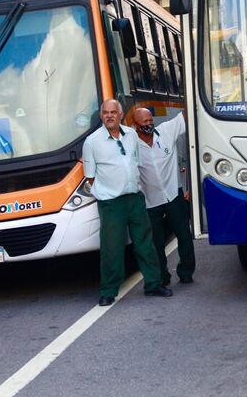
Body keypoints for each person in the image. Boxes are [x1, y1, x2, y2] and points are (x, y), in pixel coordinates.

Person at [82, 99, 172, 306]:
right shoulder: (92, 142)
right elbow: (90, 177)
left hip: (135, 199)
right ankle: (108, 290)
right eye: (106, 112)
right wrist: (107, 191)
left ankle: (153, 284)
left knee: (145, 244)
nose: (109, 115)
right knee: (111, 248)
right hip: (111, 204)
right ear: (101, 116)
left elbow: (136, 163)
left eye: (114, 112)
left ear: (121, 115)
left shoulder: (131, 135)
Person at [133, 107, 196, 285]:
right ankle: (162, 277)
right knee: (156, 243)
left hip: (173, 194)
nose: (149, 124)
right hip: (150, 200)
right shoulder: (132, 144)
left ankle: (186, 272)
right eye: (144, 122)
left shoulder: (166, 130)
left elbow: (185, 114)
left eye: (150, 120)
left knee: (184, 235)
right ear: (135, 125)